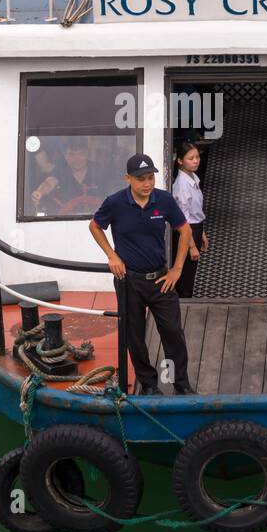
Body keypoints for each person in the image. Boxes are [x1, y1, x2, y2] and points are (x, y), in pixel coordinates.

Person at [90, 154, 196, 395]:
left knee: (172, 333)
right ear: (128, 178)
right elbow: (95, 226)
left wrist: (177, 269)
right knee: (135, 335)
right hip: (129, 281)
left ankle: (180, 384)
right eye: (141, 179)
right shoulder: (115, 203)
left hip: (161, 280)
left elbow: (185, 230)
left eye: (150, 178)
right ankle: (148, 385)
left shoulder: (164, 200)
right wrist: (112, 256)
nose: (147, 184)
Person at [171, 141, 209, 297]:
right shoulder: (182, 185)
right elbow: (183, 220)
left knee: (190, 274)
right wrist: (192, 246)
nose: (196, 161)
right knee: (185, 276)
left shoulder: (193, 177)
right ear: (180, 161)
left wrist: (202, 232)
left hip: (195, 228)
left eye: (197, 157)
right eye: (191, 158)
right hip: (187, 232)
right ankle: (183, 304)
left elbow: (195, 211)